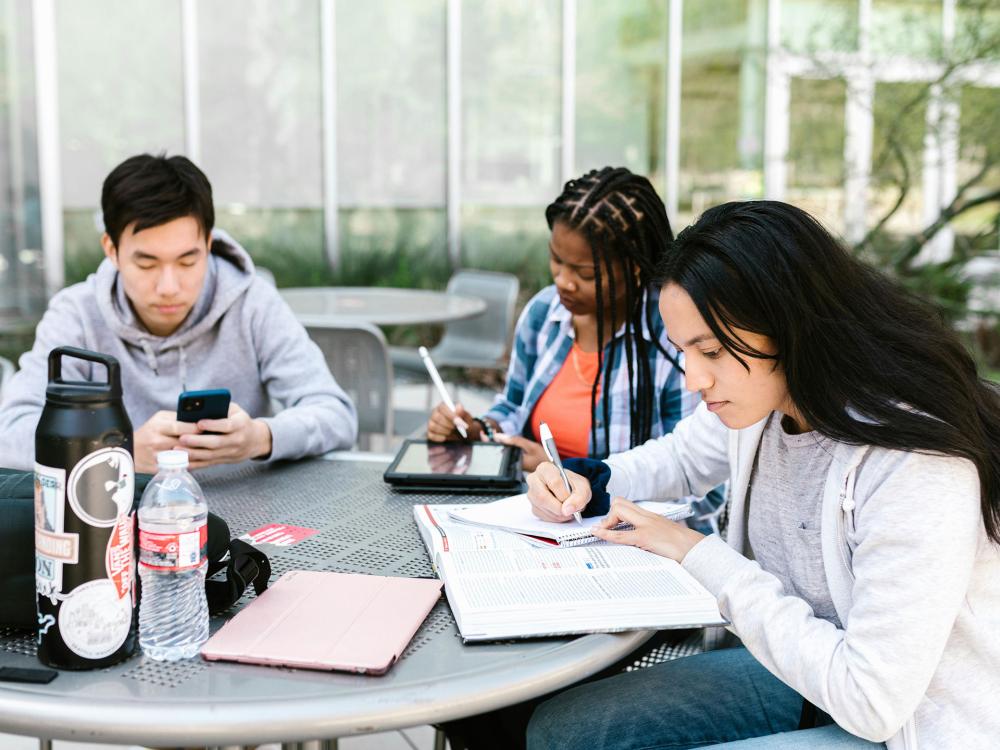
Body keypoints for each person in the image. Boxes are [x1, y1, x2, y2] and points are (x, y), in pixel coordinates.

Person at [524, 201, 1000, 749]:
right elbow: (680, 458)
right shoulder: (766, 400)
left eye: (712, 350)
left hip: (911, 726)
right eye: (684, 350)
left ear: (789, 325)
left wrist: (697, 553)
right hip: (809, 677)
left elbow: (873, 702)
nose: (695, 378)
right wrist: (587, 479)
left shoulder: (914, 462)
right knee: (563, 731)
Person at [0, 153, 357, 473]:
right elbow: (10, 434)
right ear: (112, 249)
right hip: (119, 520)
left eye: (188, 261)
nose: (169, 286)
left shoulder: (252, 303)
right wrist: (115, 449)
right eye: (147, 263)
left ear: (208, 244)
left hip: (248, 517)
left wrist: (260, 438)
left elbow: (336, 414)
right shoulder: (76, 315)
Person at [428, 167, 721, 517]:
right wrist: (478, 431)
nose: (564, 282)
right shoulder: (543, 315)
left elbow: (697, 479)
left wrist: (568, 472)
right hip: (535, 518)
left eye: (586, 274)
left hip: (629, 536)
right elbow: (513, 407)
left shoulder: (673, 336)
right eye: (556, 260)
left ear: (637, 267)